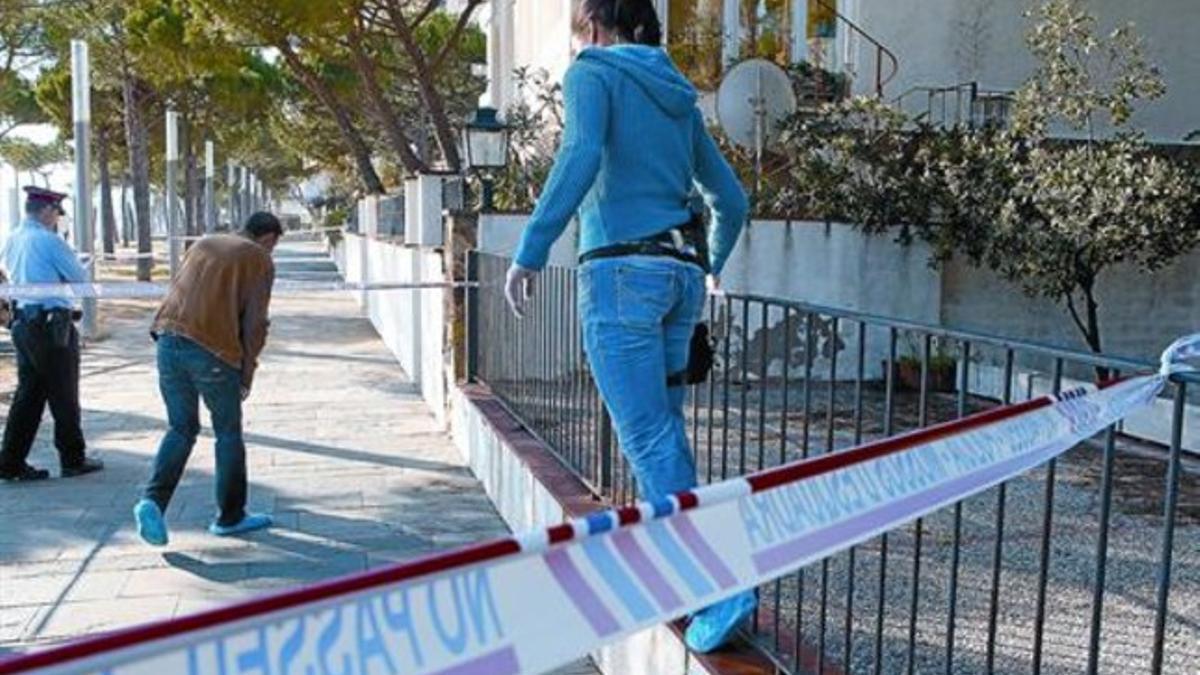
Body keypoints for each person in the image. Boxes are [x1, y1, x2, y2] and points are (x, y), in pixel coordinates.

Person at [504, 0, 753, 654]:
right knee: (663, 430)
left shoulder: (593, 72)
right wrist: (709, 267)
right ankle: (681, 573)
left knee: (646, 434)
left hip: (620, 277)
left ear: (593, 25)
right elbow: (731, 199)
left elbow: (581, 152)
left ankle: (723, 584)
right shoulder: (677, 93)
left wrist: (531, 249)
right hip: (676, 275)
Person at [133, 212, 282, 546]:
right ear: (269, 238)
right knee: (227, 433)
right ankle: (230, 516)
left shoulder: (203, 242)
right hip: (213, 352)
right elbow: (255, 324)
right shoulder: (258, 258)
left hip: (167, 342)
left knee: (180, 428)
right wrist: (247, 373)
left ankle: (152, 501)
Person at [0, 187, 104, 482]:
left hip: (23, 322)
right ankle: (73, 458)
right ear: (47, 211)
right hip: (50, 326)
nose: (57, 219)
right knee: (64, 394)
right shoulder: (49, 240)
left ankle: (10, 461)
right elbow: (79, 279)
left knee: (28, 396)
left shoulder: (14, 237)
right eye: (57, 214)